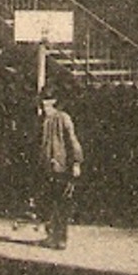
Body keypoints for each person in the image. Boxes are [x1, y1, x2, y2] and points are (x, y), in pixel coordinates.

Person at [38, 92, 83, 249]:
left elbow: (73, 141)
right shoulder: (45, 121)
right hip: (48, 168)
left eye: (47, 103)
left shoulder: (63, 118)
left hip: (61, 167)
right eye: (43, 102)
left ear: (54, 102)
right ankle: (52, 236)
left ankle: (61, 238)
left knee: (61, 203)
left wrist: (76, 162)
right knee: (50, 203)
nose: (44, 106)